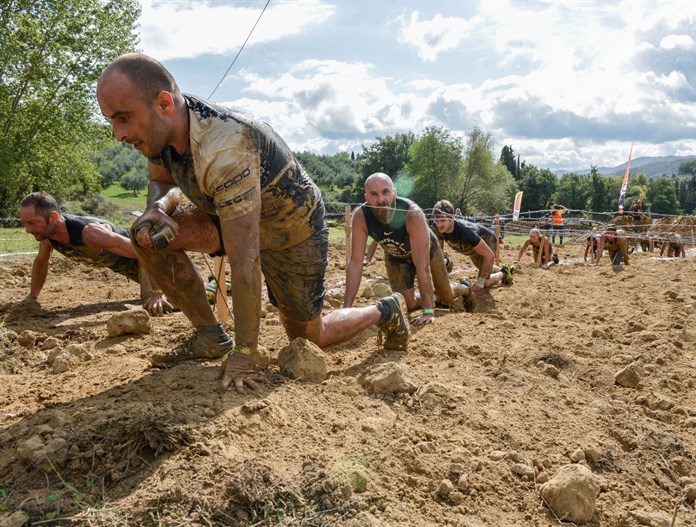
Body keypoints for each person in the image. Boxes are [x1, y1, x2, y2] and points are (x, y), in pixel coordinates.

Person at [96, 53, 410, 393]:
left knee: (308, 337)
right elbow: (163, 180)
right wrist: (156, 208)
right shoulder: (157, 133)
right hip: (228, 214)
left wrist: (245, 354)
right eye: (112, 121)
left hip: (294, 229)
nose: (119, 134)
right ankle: (209, 336)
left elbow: (244, 259)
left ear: (164, 103)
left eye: (124, 119)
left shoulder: (227, 147)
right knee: (147, 233)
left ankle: (384, 309)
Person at [343, 173, 476, 325]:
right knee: (409, 305)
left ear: (394, 192)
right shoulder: (361, 216)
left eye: (385, 192)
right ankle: (433, 296)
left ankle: (464, 287)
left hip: (427, 251)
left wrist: (427, 311)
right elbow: (355, 263)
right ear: (366, 198)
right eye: (374, 194)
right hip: (395, 256)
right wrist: (345, 310)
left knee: (447, 297)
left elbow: (422, 265)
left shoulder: (411, 213)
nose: (381, 200)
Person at [18, 192, 172, 316]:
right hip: (134, 270)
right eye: (25, 223)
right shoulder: (48, 237)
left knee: (160, 305)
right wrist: (32, 297)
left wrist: (155, 292)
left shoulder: (91, 233)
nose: (27, 230)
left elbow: (144, 252)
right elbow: (41, 262)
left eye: (32, 223)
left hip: (154, 264)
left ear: (53, 218)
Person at [430, 199, 512, 291]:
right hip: (473, 249)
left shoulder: (466, 232)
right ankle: (502, 269)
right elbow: (439, 252)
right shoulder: (435, 228)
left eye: (443, 220)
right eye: (436, 220)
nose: (439, 224)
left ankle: (504, 272)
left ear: (452, 218)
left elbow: (489, 255)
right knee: (483, 267)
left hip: (487, 242)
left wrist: (480, 281)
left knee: (485, 282)